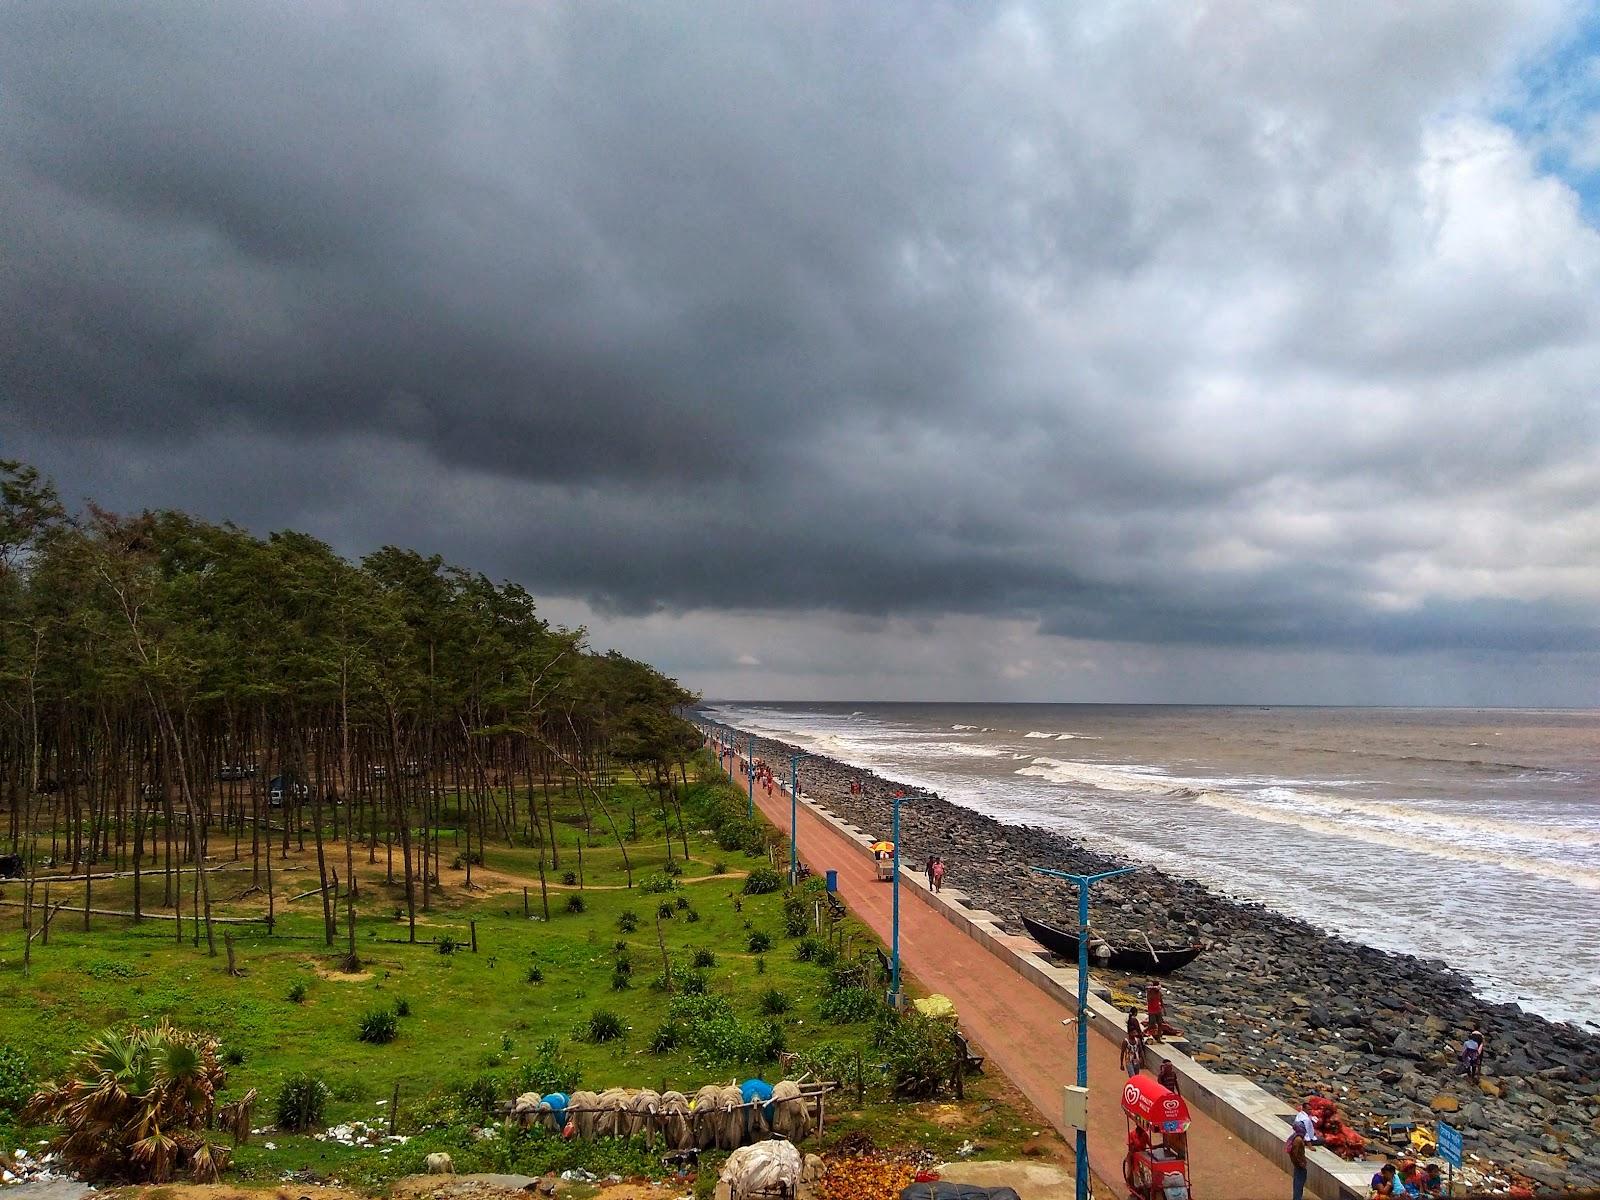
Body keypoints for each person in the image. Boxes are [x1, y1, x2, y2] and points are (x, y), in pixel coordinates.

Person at [1286, 1127, 1309, 1200]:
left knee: (1298, 1181)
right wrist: (1300, 1163)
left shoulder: (1295, 1138)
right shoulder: (1298, 1140)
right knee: (1299, 1182)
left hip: (1298, 1164)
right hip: (1299, 1165)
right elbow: (1295, 1153)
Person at [1122, 1008, 1145, 1076]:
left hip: (1131, 1059)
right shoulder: (1134, 1020)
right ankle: (1141, 1063)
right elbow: (1138, 1029)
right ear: (1135, 1013)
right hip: (1131, 1059)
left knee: (1135, 1074)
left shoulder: (1129, 1020)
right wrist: (1141, 1036)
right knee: (1138, 1049)